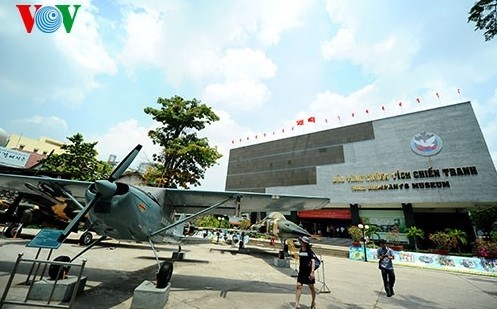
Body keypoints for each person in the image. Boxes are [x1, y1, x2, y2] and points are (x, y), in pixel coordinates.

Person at [295, 236, 316, 309]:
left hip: (309, 272)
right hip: (302, 271)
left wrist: (312, 272)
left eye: (303, 242)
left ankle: (313, 302)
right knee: (298, 286)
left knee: (311, 287)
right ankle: (297, 304)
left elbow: (313, 261)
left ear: (306, 243)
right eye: (301, 241)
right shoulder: (300, 250)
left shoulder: (310, 251)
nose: (302, 242)